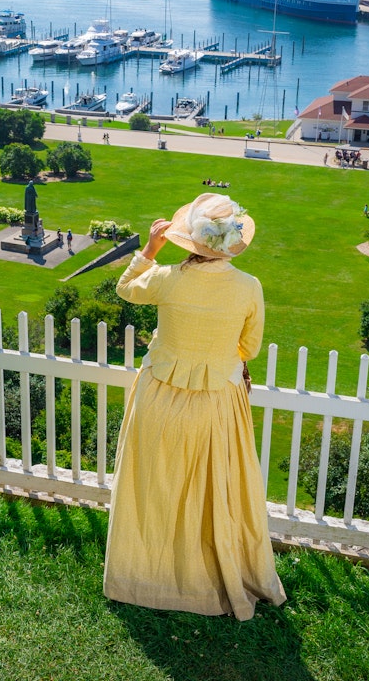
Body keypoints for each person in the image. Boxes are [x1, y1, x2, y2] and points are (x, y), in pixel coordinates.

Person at [104, 193, 285, 620]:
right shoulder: (248, 287)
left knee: (153, 485)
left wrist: (150, 249)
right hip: (216, 401)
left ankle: (141, 576)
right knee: (213, 489)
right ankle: (205, 571)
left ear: (190, 238)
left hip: (159, 397)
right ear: (230, 241)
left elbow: (125, 288)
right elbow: (249, 348)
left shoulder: (167, 278)